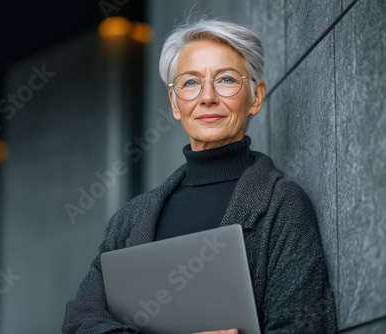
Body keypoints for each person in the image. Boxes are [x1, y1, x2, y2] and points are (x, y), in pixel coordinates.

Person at [62, 18, 337, 333]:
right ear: (175, 103)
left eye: (226, 79)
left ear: (256, 97)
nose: (207, 96)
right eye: (191, 82)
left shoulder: (283, 206)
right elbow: (79, 323)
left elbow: (305, 327)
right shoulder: (128, 221)